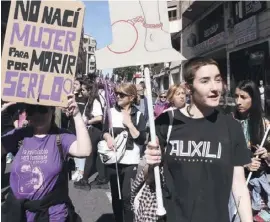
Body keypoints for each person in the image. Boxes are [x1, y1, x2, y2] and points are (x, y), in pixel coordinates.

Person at [144, 57, 253, 222]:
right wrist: (150, 164)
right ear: (188, 88)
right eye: (205, 81)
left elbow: (238, 185)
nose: (215, 88)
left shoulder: (231, 127)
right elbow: (150, 179)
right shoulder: (166, 123)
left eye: (218, 80)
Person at [1, 96, 92, 222]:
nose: (37, 114)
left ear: (52, 110)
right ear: (27, 113)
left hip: (52, 214)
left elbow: (85, 150)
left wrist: (76, 115)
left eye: (42, 109)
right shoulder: (20, 134)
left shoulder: (61, 137)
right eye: (32, 110)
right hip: (17, 213)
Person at [102, 83, 147, 222]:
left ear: (132, 97)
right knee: (116, 195)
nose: (118, 97)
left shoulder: (138, 115)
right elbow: (103, 132)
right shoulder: (110, 112)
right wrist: (108, 137)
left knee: (128, 196)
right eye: (117, 93)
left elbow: (142, 140)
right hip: (114, 159)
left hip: (131, 160)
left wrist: (129, 124)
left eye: (122, 94)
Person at [229, 80, 270, 221]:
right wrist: (245, 163)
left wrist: (266, 155)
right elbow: (221, 153)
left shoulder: (264, 124)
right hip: (235, 184)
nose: (238, 102)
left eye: (243, 97)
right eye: (236, 96)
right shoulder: (228, 122)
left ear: (254, 99)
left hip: (261, 183)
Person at [74, 81, 109, 190]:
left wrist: (87, 122)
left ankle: (84, 180)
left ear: (89, 91)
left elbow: (99, 117)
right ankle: (102, 179)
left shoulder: (95, 101)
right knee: (97, 155)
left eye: (84, 90)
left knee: (89, 154)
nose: (82, 92)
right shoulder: (91, 100)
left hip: (93, 130)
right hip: (94, 130)